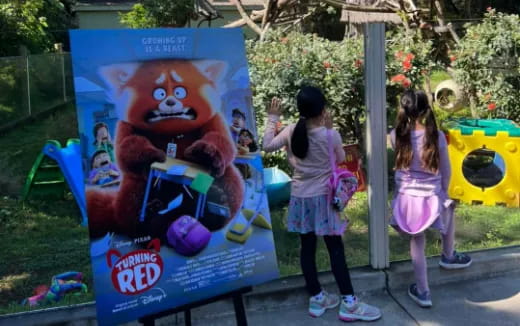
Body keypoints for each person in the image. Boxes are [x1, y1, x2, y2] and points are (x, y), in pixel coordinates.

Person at [263, 86, 381, 322]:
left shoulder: (290, 131)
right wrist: (328, 130)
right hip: (324, 200)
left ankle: (317, 297)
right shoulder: (330, 135)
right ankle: (349, 302)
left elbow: (266, 145)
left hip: (300, 198)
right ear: (323, 109)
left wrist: (273, 117)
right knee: (335, 249)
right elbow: (338, 159)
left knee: (307, 249)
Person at [389, 90, 472, 308]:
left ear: (402, 109)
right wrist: (444, 194)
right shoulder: (436, 137)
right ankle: (448, 255)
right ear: (426, 110)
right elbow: (446, 170)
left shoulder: (395, 135)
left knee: (416, 241)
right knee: (450, 207)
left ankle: (423, 292)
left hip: (407, 199)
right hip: (432, 197)